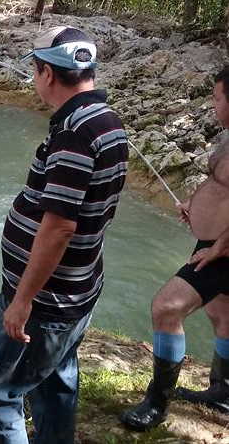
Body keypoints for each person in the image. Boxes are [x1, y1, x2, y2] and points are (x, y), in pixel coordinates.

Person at [0, 26, 129, 444]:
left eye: (35, 70)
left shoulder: (76, 133)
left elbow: (58, 227)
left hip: (46, 298)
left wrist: (22, 301)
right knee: (56, 380)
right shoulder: (105, 121)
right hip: (77, 289)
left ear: (47, 74)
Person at [120, 68, 229, 430]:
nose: (213, 105)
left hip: (224, 249)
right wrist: (196, 208)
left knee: (166, 308)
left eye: (217, 98)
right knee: (223, 313)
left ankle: (157, 403)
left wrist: (219, 247)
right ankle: (223, 391)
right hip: (215, 241)